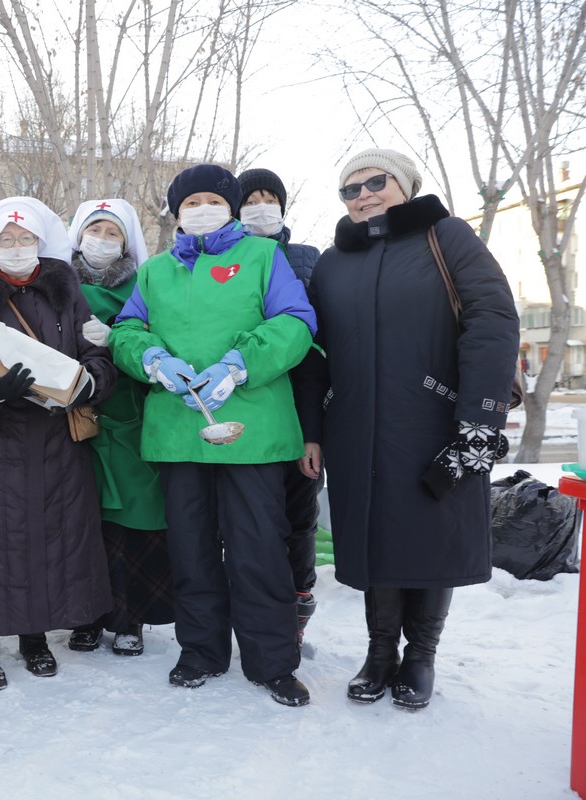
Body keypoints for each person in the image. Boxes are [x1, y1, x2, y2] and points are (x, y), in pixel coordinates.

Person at [296, 149, 519, 710]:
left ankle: (420, 656)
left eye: (377, 181)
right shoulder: (332, 263)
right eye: (350, 189)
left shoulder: (447, 238)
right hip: (356, 428)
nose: (364, 194)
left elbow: (492, 321)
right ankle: (379, 654)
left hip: (436, 422)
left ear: (406, 183)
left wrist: (478, 420)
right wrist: (313, 428)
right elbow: (313, 352)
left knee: (431, 537)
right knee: (375, 539)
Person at [109, 164, 316, 707]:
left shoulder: (263, 257)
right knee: (191, 547)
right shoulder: (154, 272)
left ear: (230, 206)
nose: (202, 209)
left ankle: (271, 661)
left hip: (252, 430)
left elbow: (296, 322)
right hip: (180, 431)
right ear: (177, 213)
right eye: (191, 202)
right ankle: (200, 650)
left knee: (258, 548)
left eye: (213, 200)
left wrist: (238, 365)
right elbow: (127, 330)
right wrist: (151, 359)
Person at [0, 196, 116, 691]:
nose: (16, 248)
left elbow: (96, 355)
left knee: (48, 537)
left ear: (41, 242)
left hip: (56, 441)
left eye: (25, 239)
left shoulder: (66, 288)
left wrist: (87, 383)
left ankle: (35, 636)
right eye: (6, 240)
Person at [64, 198, 173, 657]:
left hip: (130, 417)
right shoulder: (57, 281)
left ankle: (132, 617)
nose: (102, 241)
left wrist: (118, 342)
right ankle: (85, 615)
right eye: (95, 230)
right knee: (81, 522)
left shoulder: (144, 284)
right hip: (71, 417)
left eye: (113, 233)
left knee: (133, 520)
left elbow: (162, 337)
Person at [236, 168, 322, 648]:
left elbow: (319, 348)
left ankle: (297, 605)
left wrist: (314, 430)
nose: (260, 207)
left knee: (299, 515)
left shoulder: (308, 260)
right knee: (251, 521)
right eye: (251, 200)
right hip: (240, 408)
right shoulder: (223, 263)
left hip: (298, 405)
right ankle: (252, 611)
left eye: (270, 199)